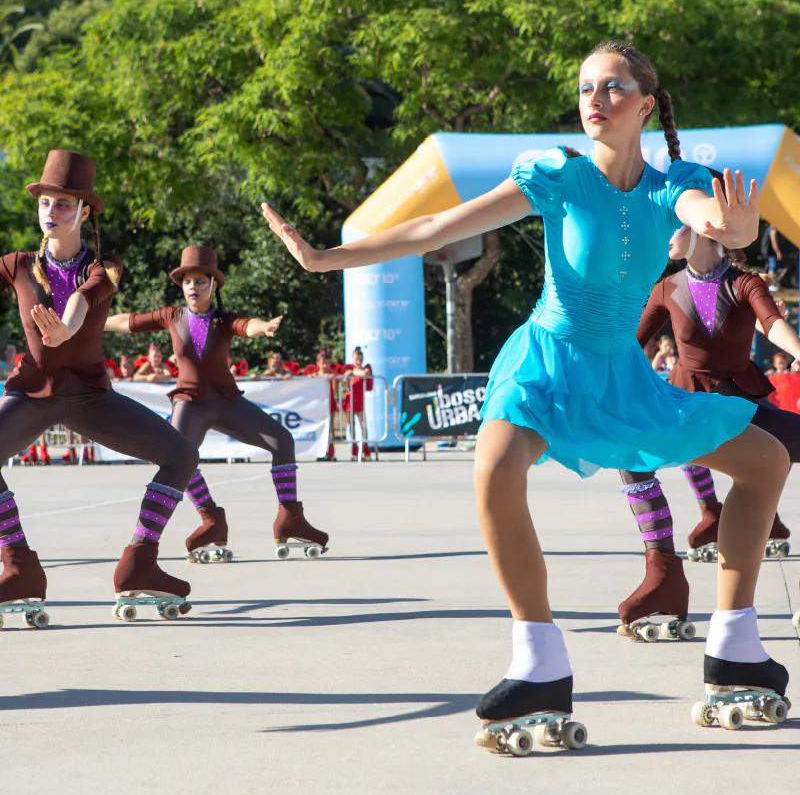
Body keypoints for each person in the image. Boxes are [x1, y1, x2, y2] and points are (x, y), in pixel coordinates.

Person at [262, 41, 791, 746]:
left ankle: (735, 648)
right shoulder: (559, 176)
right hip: (545, 362)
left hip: (622, 375)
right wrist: (329, 257)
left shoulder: (675, 185)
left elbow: (715, 219)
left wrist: (741, 228)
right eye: (584, 89)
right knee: (495, 470)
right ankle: (539, 662)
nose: (594, 100)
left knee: (763, 462)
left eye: (611, 87)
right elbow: (437, 226)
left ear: (643, 102)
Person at [0, 150, 199, 623]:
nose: (52, 213)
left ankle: (139, 564)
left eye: (64, 204)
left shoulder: (104, 268)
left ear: (84, 212)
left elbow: (83, 302)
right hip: (32, 393)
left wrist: (66, 329)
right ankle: (20, 566)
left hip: (92, 399)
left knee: (182, 455)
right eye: (46, 203)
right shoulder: (16, 265)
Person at [618, 212, 800, 641]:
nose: (663, 236)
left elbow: (772, 324)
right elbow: (630, 344)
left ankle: (756, 510)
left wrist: (798, 350)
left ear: (701, 227)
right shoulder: (666, 287)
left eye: (672, 225)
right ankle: (662, 574)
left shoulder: (744, 283)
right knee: (629, 449)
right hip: (687, 409)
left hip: (742, 410)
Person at [104, 245, 329, 563]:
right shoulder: (172, 316)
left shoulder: (224, 320)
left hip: (226, 402)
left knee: (282, 440)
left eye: (199, 281)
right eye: (187, 282)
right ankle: (211, 519)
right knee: (179, 456)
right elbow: (129, 321)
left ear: (213, 284)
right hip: (189, 404)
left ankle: (290, 518)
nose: (192, 288)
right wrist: (90, 319)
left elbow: (245, 325)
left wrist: (261, 328)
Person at [343, 346, 373, 460]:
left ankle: (366, 450)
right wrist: (347, 377)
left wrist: (354, 372)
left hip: (359, 402)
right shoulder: (348, 368)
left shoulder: (365, 368)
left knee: (363, 425)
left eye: (360, 359)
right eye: (356, 359)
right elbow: (345, 384)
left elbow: (365, 374)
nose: (359, 362)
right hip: (349, 402)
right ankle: (354, 451)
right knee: (352, 426)